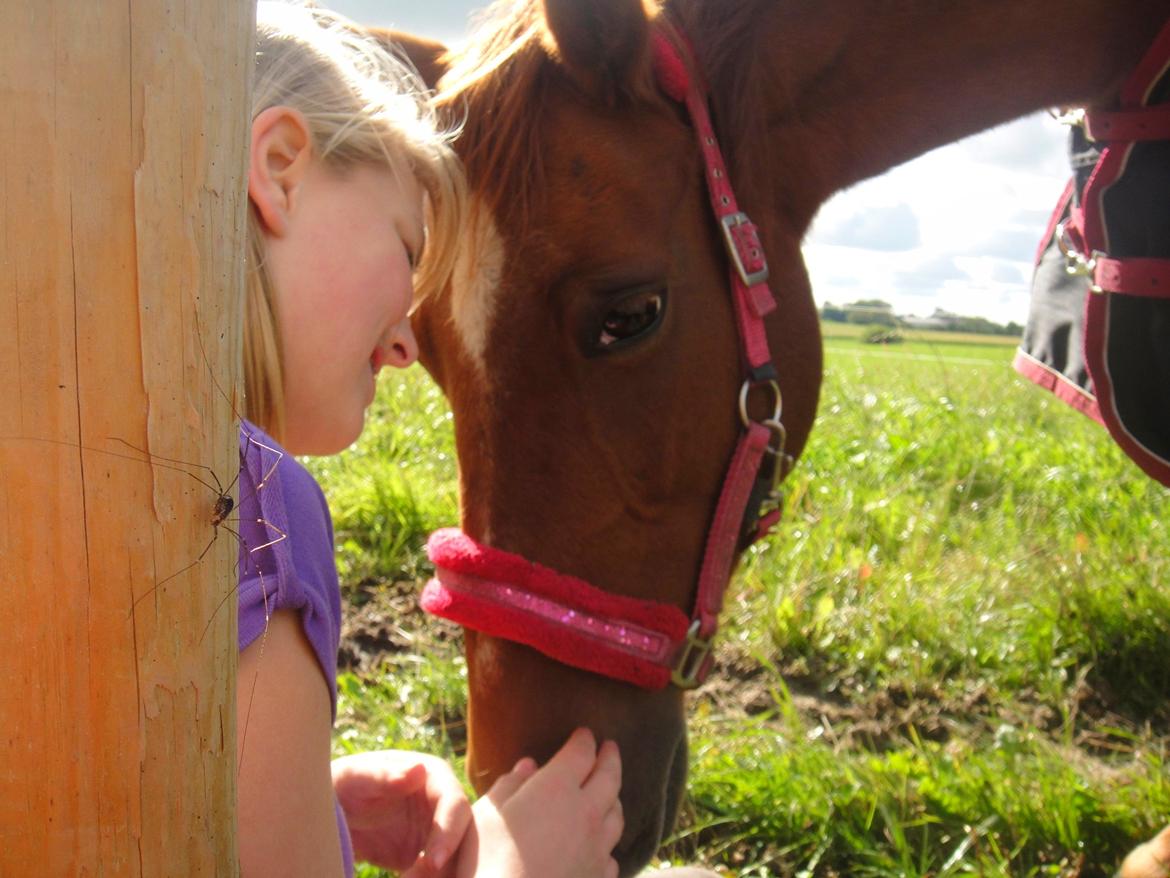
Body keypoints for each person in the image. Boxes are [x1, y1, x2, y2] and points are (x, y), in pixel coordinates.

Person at [235, 4, 624, 877]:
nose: (408, 345)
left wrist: (312, 805)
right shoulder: (254, 512)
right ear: (280, 167)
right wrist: (512, 869)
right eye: (408, 250)